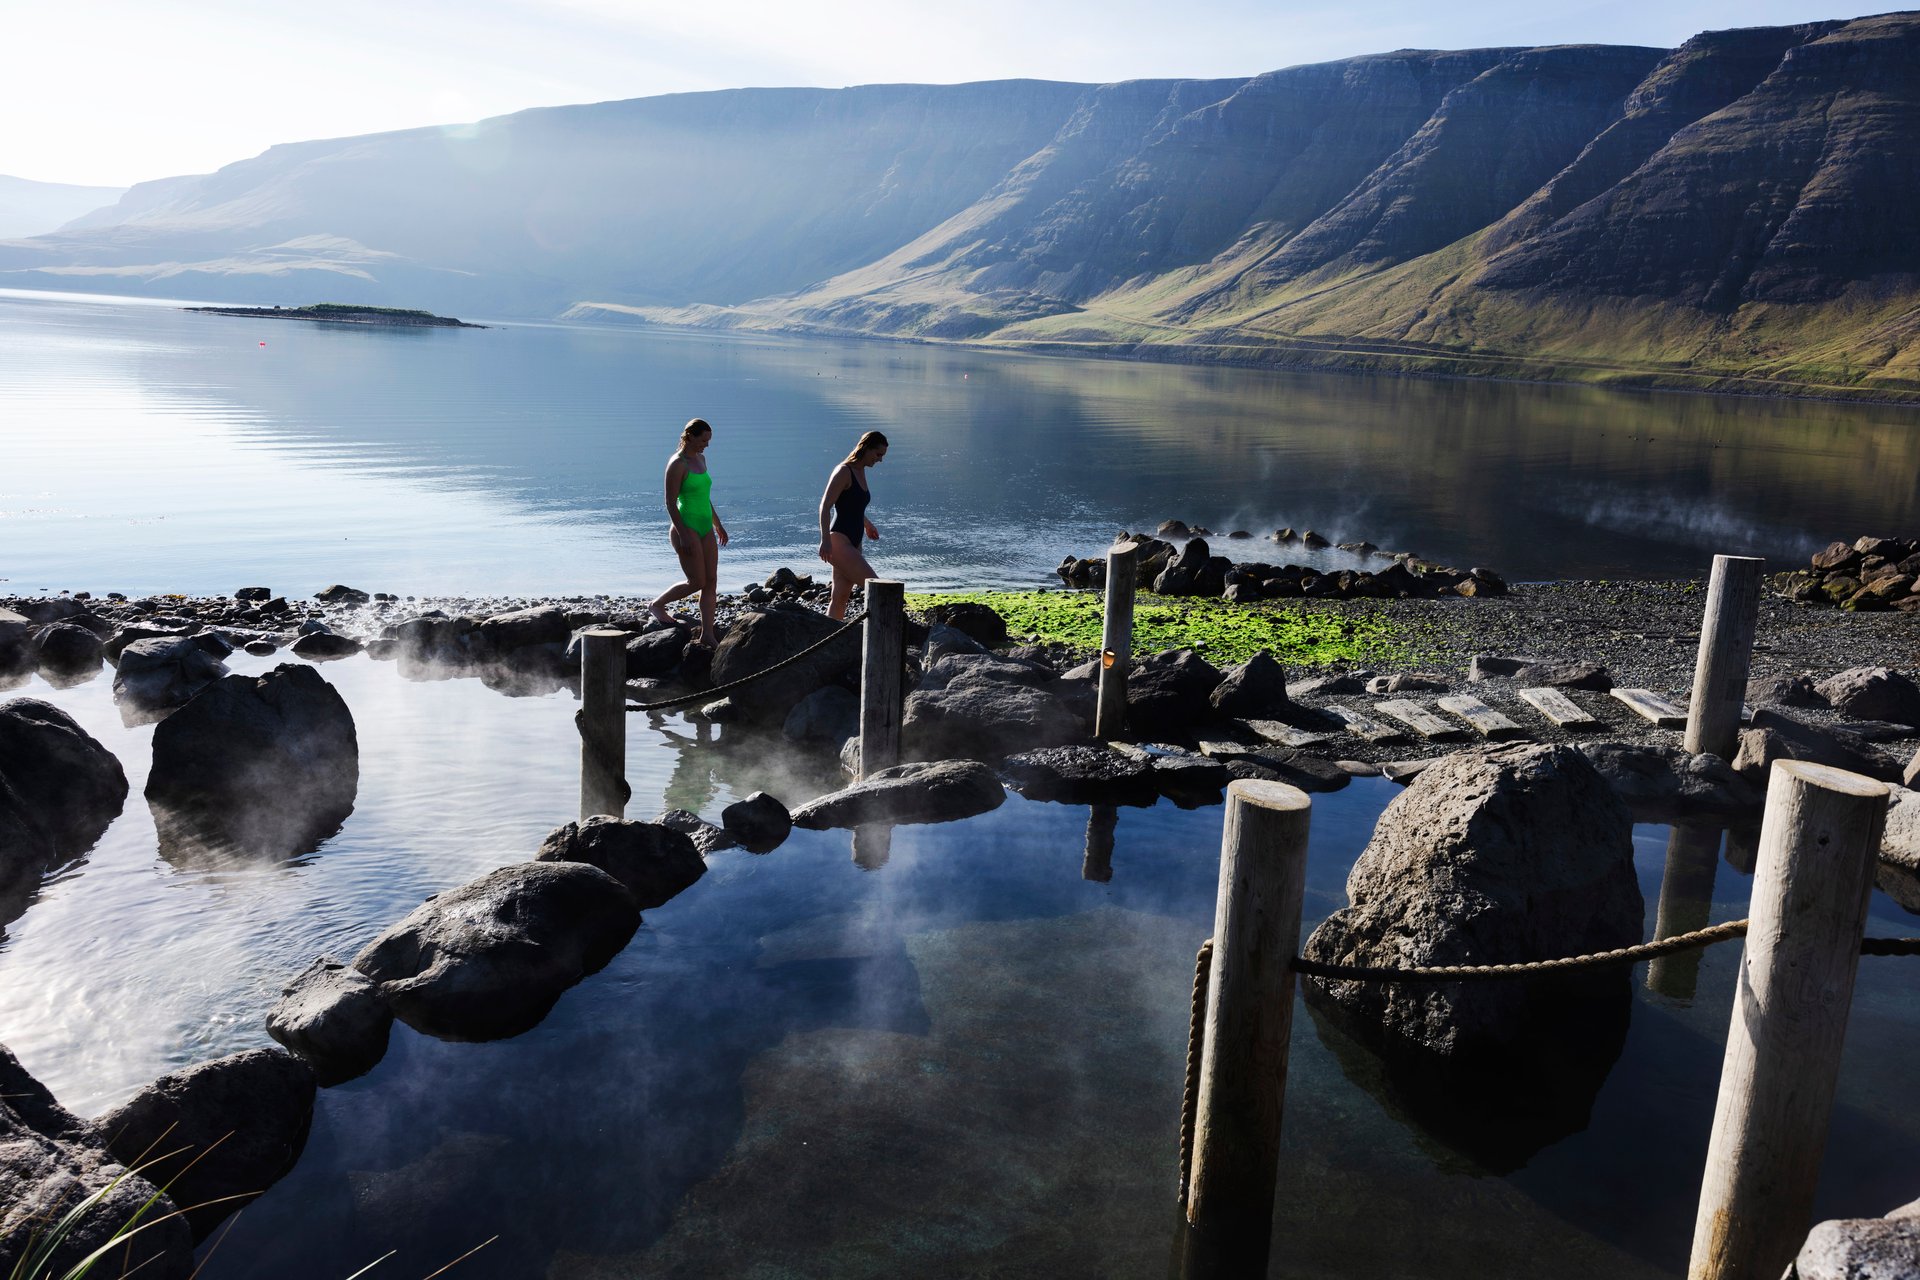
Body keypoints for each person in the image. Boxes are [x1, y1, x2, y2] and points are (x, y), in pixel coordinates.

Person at [649, 418, 728, 647]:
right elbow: (670, 503)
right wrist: (683, 533)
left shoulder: (701, 460)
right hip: (686, 528)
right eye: (703, 440)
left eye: (708, 440)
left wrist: (717, 524)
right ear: (690, 436)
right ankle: (657, 604)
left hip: (705, 528)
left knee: (711, 581)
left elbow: (704, 497)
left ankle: (707, 634)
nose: (706, 444)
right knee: (696, 581)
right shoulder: (677, 463)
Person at [817, 430, 888, 620]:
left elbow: (853, 505)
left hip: (855, 542)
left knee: (840, 597)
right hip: (838, 542)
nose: (880, 460)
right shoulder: (844, 471)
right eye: (878, 454)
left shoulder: (861, 471)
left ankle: (829, 639)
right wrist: (825, 541)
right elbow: (825, 506)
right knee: (879, 590)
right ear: (866, 448)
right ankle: (882, 641)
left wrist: (867, 523)